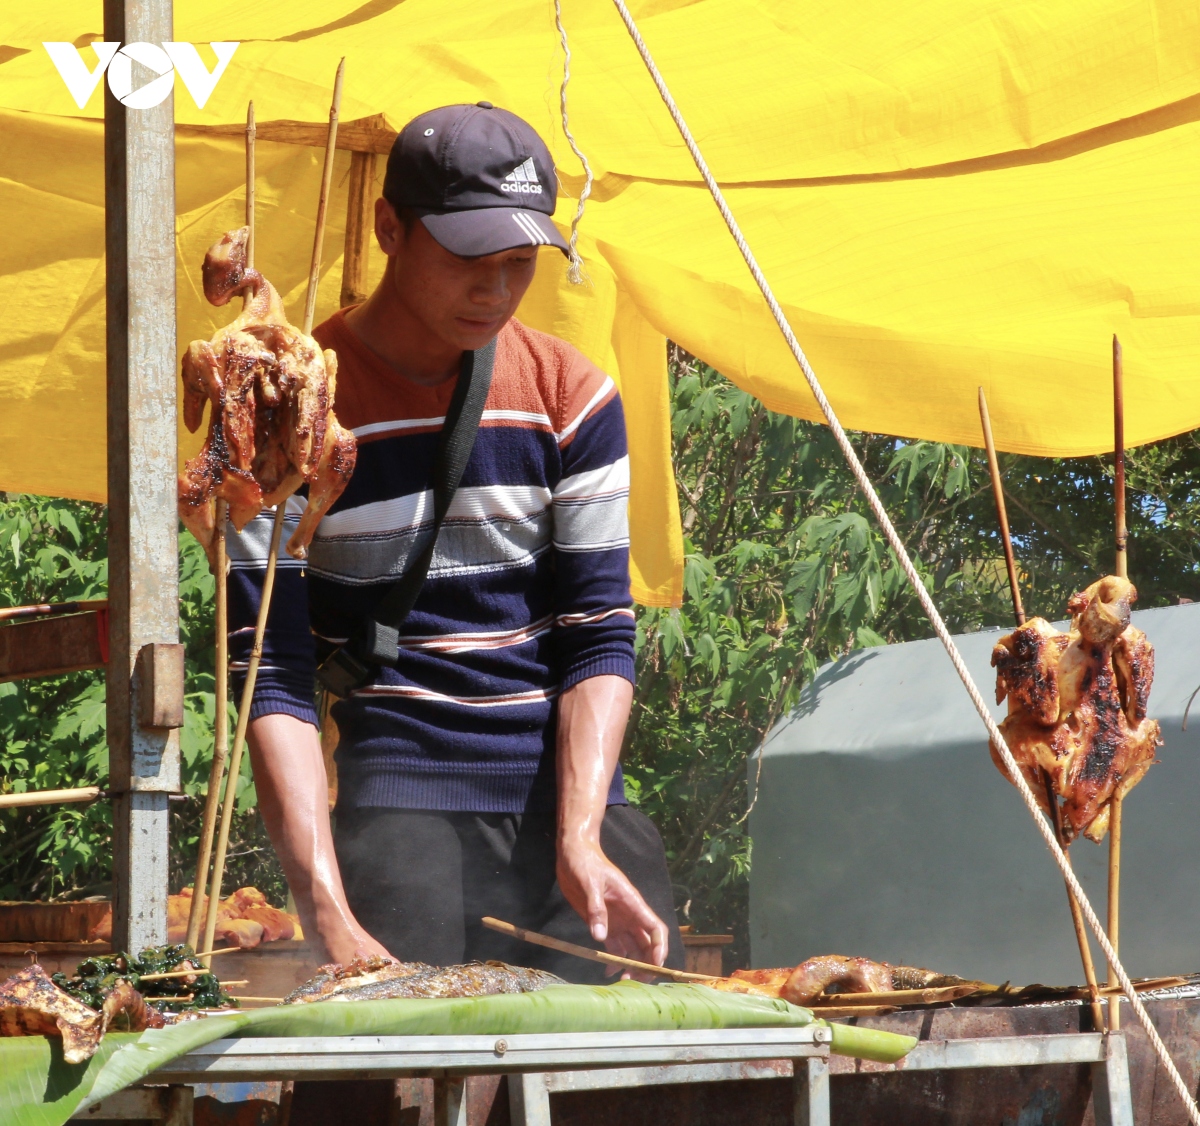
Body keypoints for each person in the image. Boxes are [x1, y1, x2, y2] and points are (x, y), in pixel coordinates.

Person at [227, 102, 685, 981]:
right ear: (389, 228)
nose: (496, 290)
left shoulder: (571, 395)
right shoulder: (288, 407)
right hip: (396, 802)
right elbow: (268, 670)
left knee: (628, 1067)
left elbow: (597, 634)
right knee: (391, 1086)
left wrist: (582, 836)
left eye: (520, 265)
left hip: (565, 802)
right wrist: (321, 896)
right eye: (470, 259)